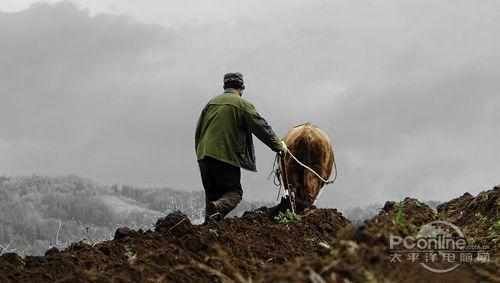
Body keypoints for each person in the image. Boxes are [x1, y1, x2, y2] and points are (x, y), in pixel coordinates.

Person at [195, 72, 287, 222]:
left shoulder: (211, 103)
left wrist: (201, 154)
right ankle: (216, 209)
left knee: (212, 198)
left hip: (203, 156)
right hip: (224, 156)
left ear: (225, 86)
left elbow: (198, 131)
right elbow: (261, 127)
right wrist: (279, 146)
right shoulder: (242, 105)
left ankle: (209, 232)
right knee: (234, 193)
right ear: (242, 88)